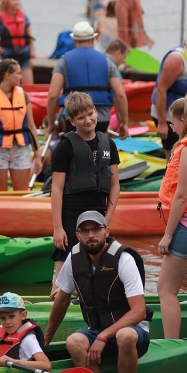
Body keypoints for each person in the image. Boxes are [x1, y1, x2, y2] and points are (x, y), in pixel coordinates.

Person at [44, 210, 150, 373]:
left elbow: (139, 311)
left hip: (133, 332)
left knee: (125, 335)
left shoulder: (124, 259)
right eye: (85, 231)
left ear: (106, 231)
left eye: (96, 229)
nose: (91, 235)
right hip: (98, 330)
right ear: (78, 235)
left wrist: (102, 337)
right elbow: (62, 300)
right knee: (74, 341)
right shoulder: (73, 259)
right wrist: (47, 338)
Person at [49, 92, 120, 283]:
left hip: (98, 211)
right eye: (81, 117)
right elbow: (56, 188)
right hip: (71, 212)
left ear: (96, 112)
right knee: (65, 253)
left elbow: (114, 185)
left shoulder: (109, 145)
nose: (88, 120)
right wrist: (58, 227)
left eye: (90, 114)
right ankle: (57, 296)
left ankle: (90, 297)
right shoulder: (65, 147)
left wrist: (107, 220)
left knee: (97, 257)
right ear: (72, 121)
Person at [156, 93, 187, 337]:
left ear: (183, 120)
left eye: (173, 123)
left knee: (165, 289)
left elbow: (182, 197)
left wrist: (168, 235)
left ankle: (170, 345)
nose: (172, 128)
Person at [45, 20, 129, 138]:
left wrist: (51, 123)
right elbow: (120, 95)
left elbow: (52, 95)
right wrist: (124, 123)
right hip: (100, 118)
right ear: (92, 40)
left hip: (74, 118)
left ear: (75, 41)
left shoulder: (63, 61)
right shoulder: (107, 62)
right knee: (97, 152)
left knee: (74, 153)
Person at [0, 57, 42, 191]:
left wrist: (37, 156)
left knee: (21, 192)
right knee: (0, 194)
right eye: (18, 73)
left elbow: (31, 127)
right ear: (7, 75)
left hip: (20, 149)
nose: (21, 76)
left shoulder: (23, 96)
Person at [151, 30, 187, 160]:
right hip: (169, 117)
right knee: (175, 158)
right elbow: (160, 90)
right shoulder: (176, 60)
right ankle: (171, 178)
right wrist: (162, 123)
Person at [0, 0, 36, 84]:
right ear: (7, 2)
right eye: (13, 0)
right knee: (8, 82)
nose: (16, 2)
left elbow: (29, 36)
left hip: (24, 53)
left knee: (28, 85)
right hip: (7, 53)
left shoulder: (24, 16)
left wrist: (32, 54)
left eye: (17, 0)